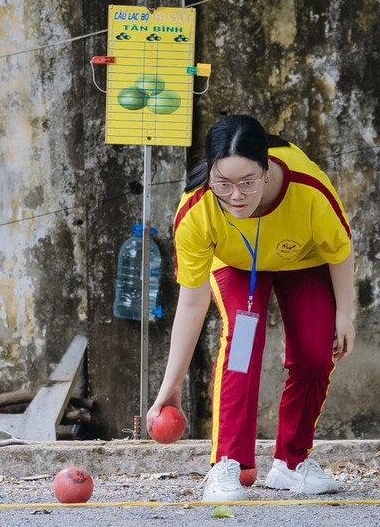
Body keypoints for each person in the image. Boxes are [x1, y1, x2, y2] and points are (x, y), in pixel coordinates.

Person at [148, 115, 355, 503]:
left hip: (304, 261)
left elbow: (340, 250)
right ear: (209, 174)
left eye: (247, 183)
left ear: (267, 170)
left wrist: (345, 313)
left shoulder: (309, 190)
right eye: (223, 183)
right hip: (239, 266)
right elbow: (192, 302)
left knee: (314, 354)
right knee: (242, 348)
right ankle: (227, 462)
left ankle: (292, 464)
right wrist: (170, 387)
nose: (236, 196)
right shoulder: (197, 210)